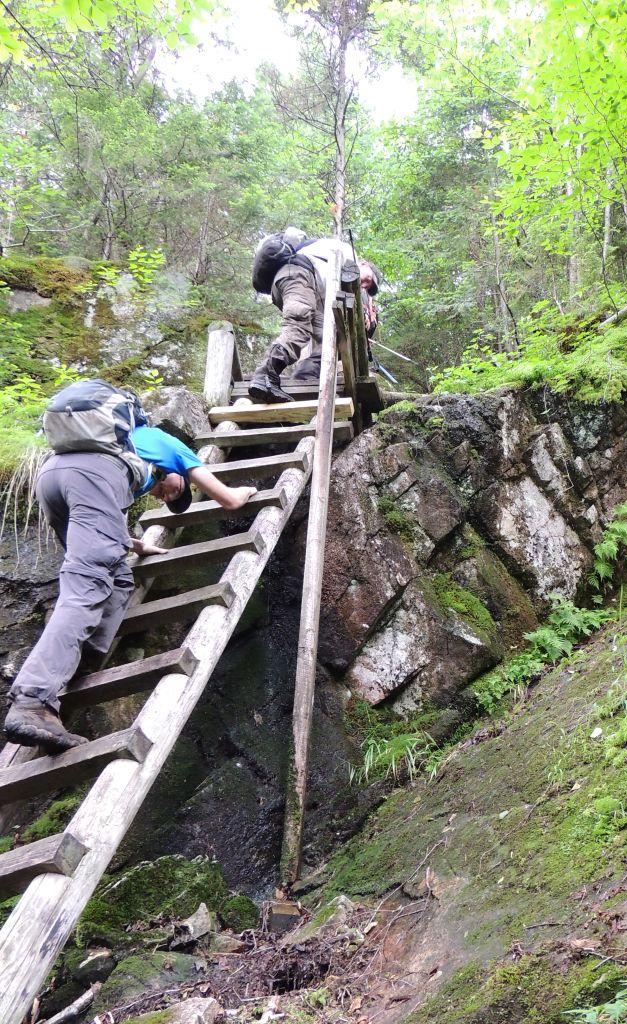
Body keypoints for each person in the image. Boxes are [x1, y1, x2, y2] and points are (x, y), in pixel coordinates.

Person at [3, 419, 257, 753]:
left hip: (52, 478)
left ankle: (72, 666)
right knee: (88, 588)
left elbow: (99, 511)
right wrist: (246, 490)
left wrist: (137, 546)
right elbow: (228, 500)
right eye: (175, 491)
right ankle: (33, 700)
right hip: (85, 478)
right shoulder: (167, 445)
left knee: (119, 578)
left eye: (168, 499)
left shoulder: (122, 449)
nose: (167, 494)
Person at [248, 230, 380, 403]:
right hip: (298, 275)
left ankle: (305, 377)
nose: (364, 286)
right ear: (364, 265)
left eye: (367, 288)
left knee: (334, 340)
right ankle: (264, 376)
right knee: (298, 327)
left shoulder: (325, 273)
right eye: (368, 280)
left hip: (296, 282)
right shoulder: (349, 252)